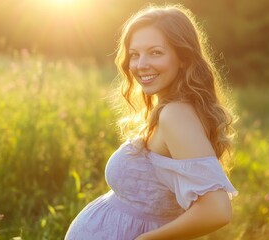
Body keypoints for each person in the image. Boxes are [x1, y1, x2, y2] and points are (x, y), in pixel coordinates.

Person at [65, 4, 238, 240]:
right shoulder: (168, 109)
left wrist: (146, 239)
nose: (140, 64)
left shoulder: (175, 115)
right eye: (134, 54)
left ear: (183, 59)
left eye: (155, 52)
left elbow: (217, 210)